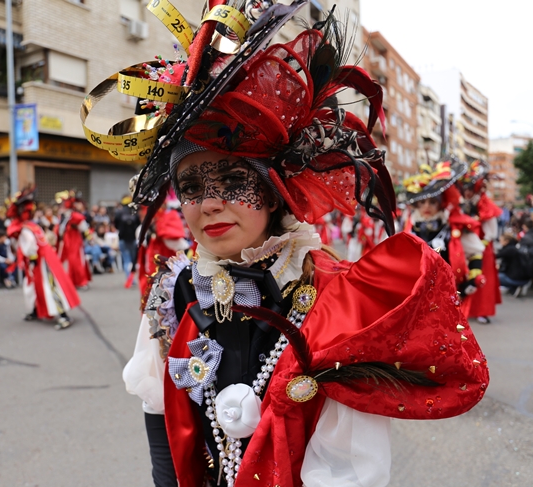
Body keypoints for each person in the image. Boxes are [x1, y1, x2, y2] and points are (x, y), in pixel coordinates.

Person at [104, 5, 489, 486]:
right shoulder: (173, 291)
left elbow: (347, 471)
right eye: (192, 187)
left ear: (271, 188)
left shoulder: (334, 296)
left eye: (232, 179)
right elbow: (159, 414)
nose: (210, 204)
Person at [402, 160, 487, 306]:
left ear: (441, 203)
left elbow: (476, 251)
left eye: (432, 202)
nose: (426, 207)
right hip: (413, 291)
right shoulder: (409, 228)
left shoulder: (451, 227)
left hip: (445, 291)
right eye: (422, 202)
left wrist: (474, 277)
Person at [6, 186, 80, 329]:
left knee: (49, 286)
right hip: (43, 258)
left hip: (41, 260)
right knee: (34, 286)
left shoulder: (26, 228)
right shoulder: (31, 226)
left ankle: (64, 315)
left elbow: (31, 245)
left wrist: (32, 261)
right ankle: (35, 310)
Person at [457, 160, 502, 324]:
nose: (466, 192)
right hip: (467, 246)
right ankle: (466, 309)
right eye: (465, 189)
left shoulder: (485, 203)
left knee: (482, 279)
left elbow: (491, 231)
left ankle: (482, 311)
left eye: (469, 188)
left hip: (483, 246)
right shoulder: (466, 203)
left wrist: (480, 247)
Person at [56, 190, 92, 289]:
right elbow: (60, 230)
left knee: (77, 262)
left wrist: (89, 238)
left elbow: (85, 228)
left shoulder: (76, 216)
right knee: (68, 262)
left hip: (75, 242)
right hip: (67, 242)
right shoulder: (63, 217)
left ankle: (81, 282)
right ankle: (70, 282)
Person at [114, 196, 141, 279]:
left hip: (122, 239)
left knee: (126, 260)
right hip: (133, 239)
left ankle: (129, 280)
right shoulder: (135, 213)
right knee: (133, 260)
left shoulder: (118, 213)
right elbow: (139, 225)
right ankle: (133, 278)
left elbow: (116, 225)